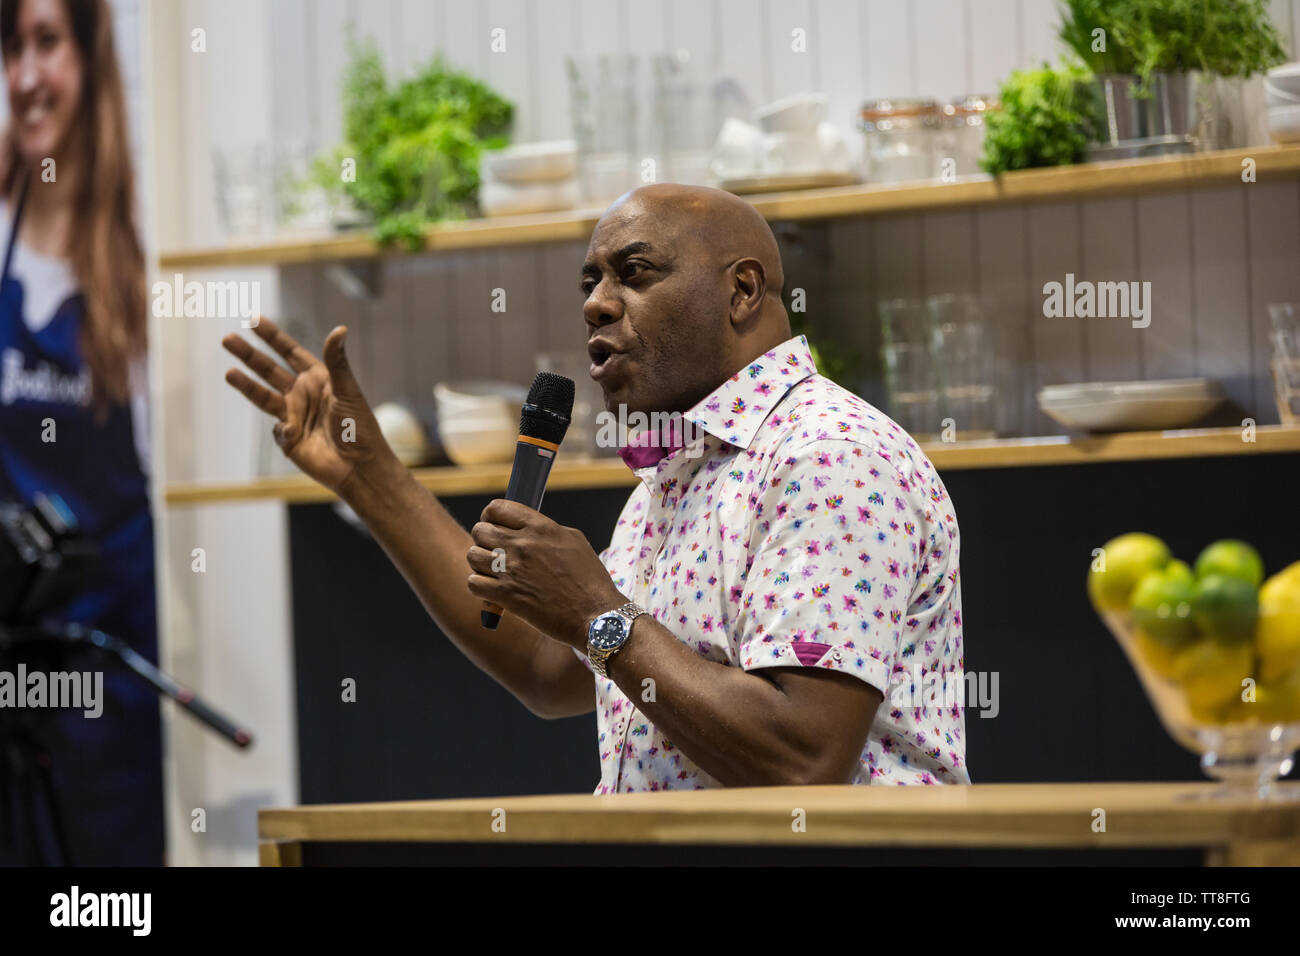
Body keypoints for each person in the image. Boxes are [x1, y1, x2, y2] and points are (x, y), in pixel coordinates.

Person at [223, 183, 969, 790]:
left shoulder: (826, 455)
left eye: (634, 273)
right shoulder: (677, 479)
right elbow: (547, 669)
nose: (596, 303)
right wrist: (368, 475)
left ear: (743, 290)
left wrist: (594, 612)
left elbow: (802, 759)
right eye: (591, 282)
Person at [0, 0, 159, 863]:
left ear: (92, 59)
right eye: (11, 46)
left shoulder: (142, 259)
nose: (26, 76)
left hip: (110, 679)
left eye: (48, 44)